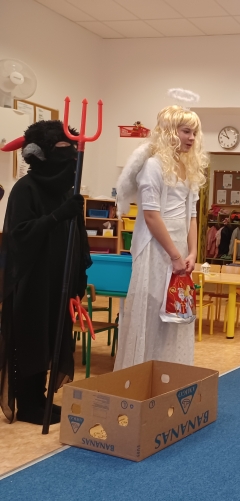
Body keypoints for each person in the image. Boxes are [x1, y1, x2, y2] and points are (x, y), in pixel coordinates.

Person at [0, 120, 91, 425]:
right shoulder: (25, 189)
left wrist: (78, 276)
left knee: (52, 336)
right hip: (32, 280)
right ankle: (27, 403)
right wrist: (56, 217)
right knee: (32, 338)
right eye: (64, 147)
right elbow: (18, 236)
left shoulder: (66, 191)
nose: (72, 155)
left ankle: (40, 398)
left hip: (59, 279)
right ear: (39, 152)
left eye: (73, 148)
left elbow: (77, 236)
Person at [114, 106, 207, 370]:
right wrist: (174, 255)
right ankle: (143, 374)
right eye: (186, 131)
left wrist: (192, 253)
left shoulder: (188, 168)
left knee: (176, 313)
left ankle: (169, 372)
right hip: (156, 249)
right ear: (170, 132)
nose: (191, 138)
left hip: (179, 251)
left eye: (194, 132)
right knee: (152, 312)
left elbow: (192, 215)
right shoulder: (153, 166)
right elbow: (152, 216)